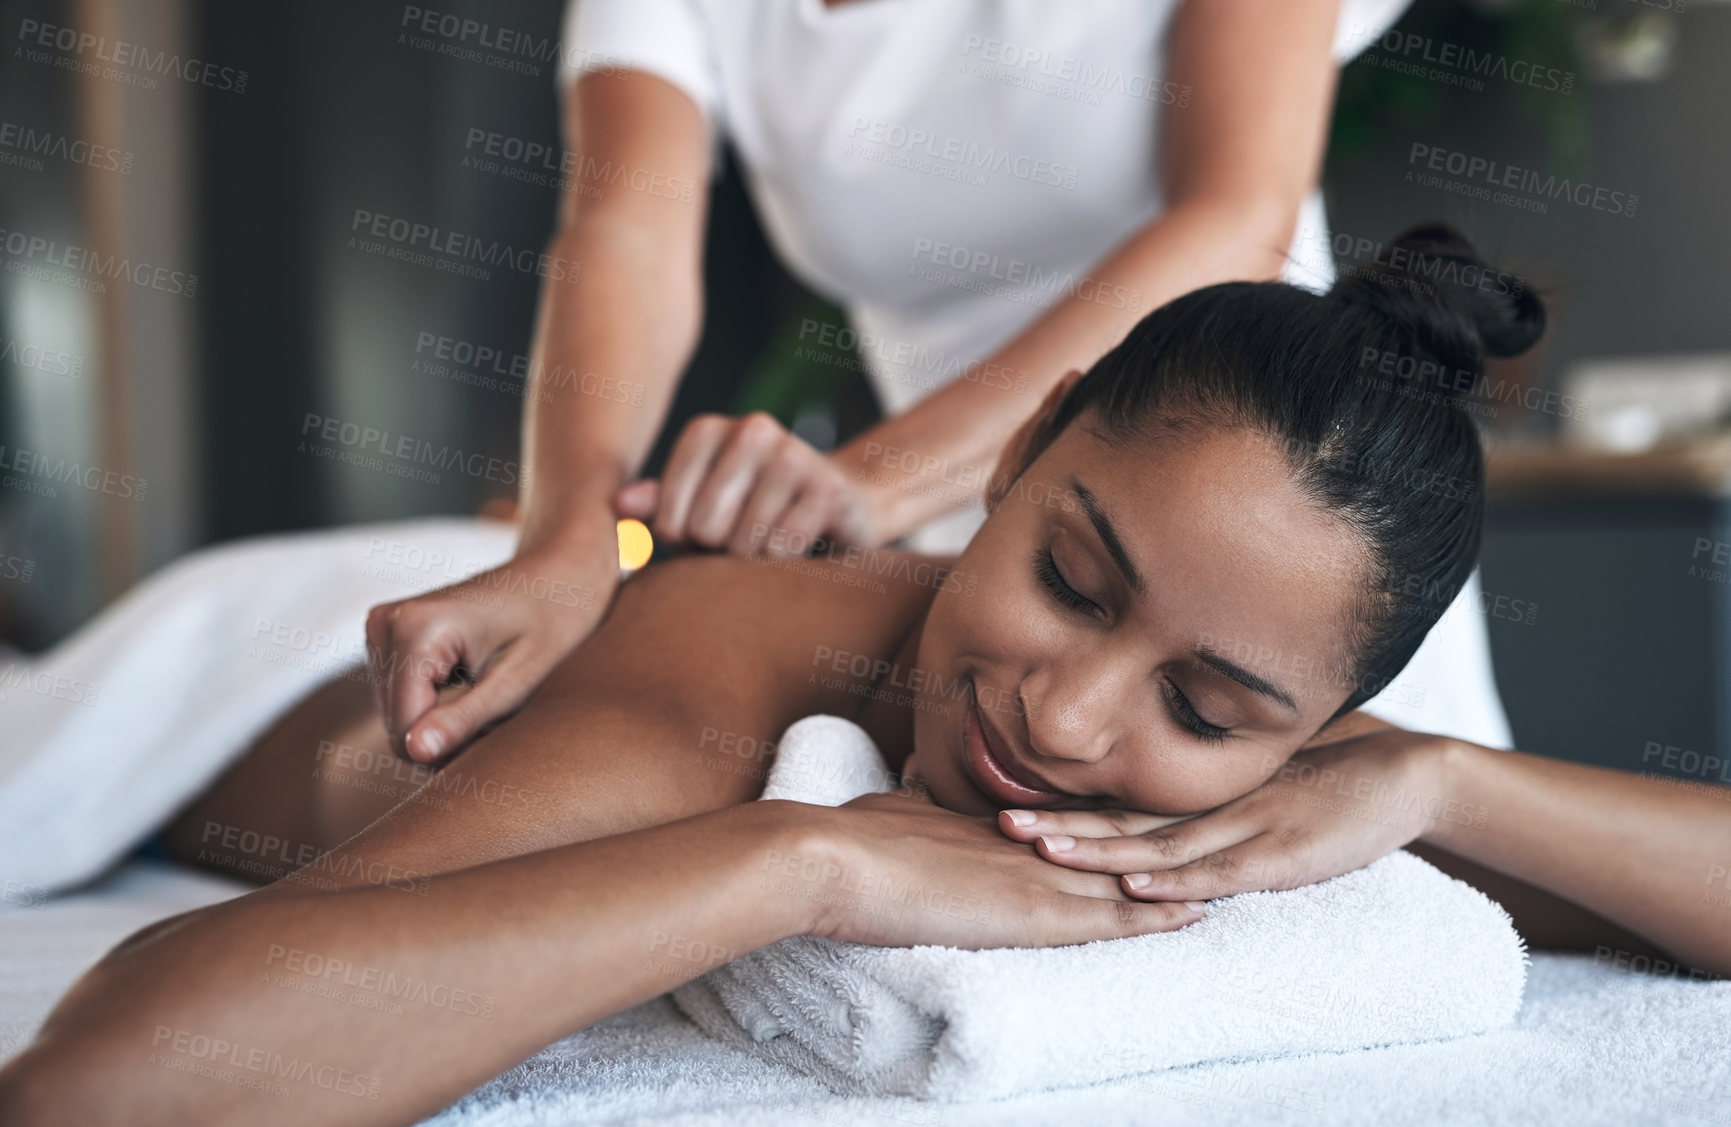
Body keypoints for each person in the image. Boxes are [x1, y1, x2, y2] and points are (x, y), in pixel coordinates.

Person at [7, 228, 1726, 1127]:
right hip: (292, 656)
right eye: (1069, 577)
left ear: (1318, 719)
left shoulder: (1308, 762)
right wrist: (803, 861)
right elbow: (97, 1107)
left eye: (1203, 712)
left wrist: (1447, 785)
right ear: (1023, 452)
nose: (1062, 721)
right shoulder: (742, 670)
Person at [363, 0, 1524, 781]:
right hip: (971, 557)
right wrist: (568, 538)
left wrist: (861, 481)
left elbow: (1235, 218)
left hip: (1259, 543)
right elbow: (624, 224)